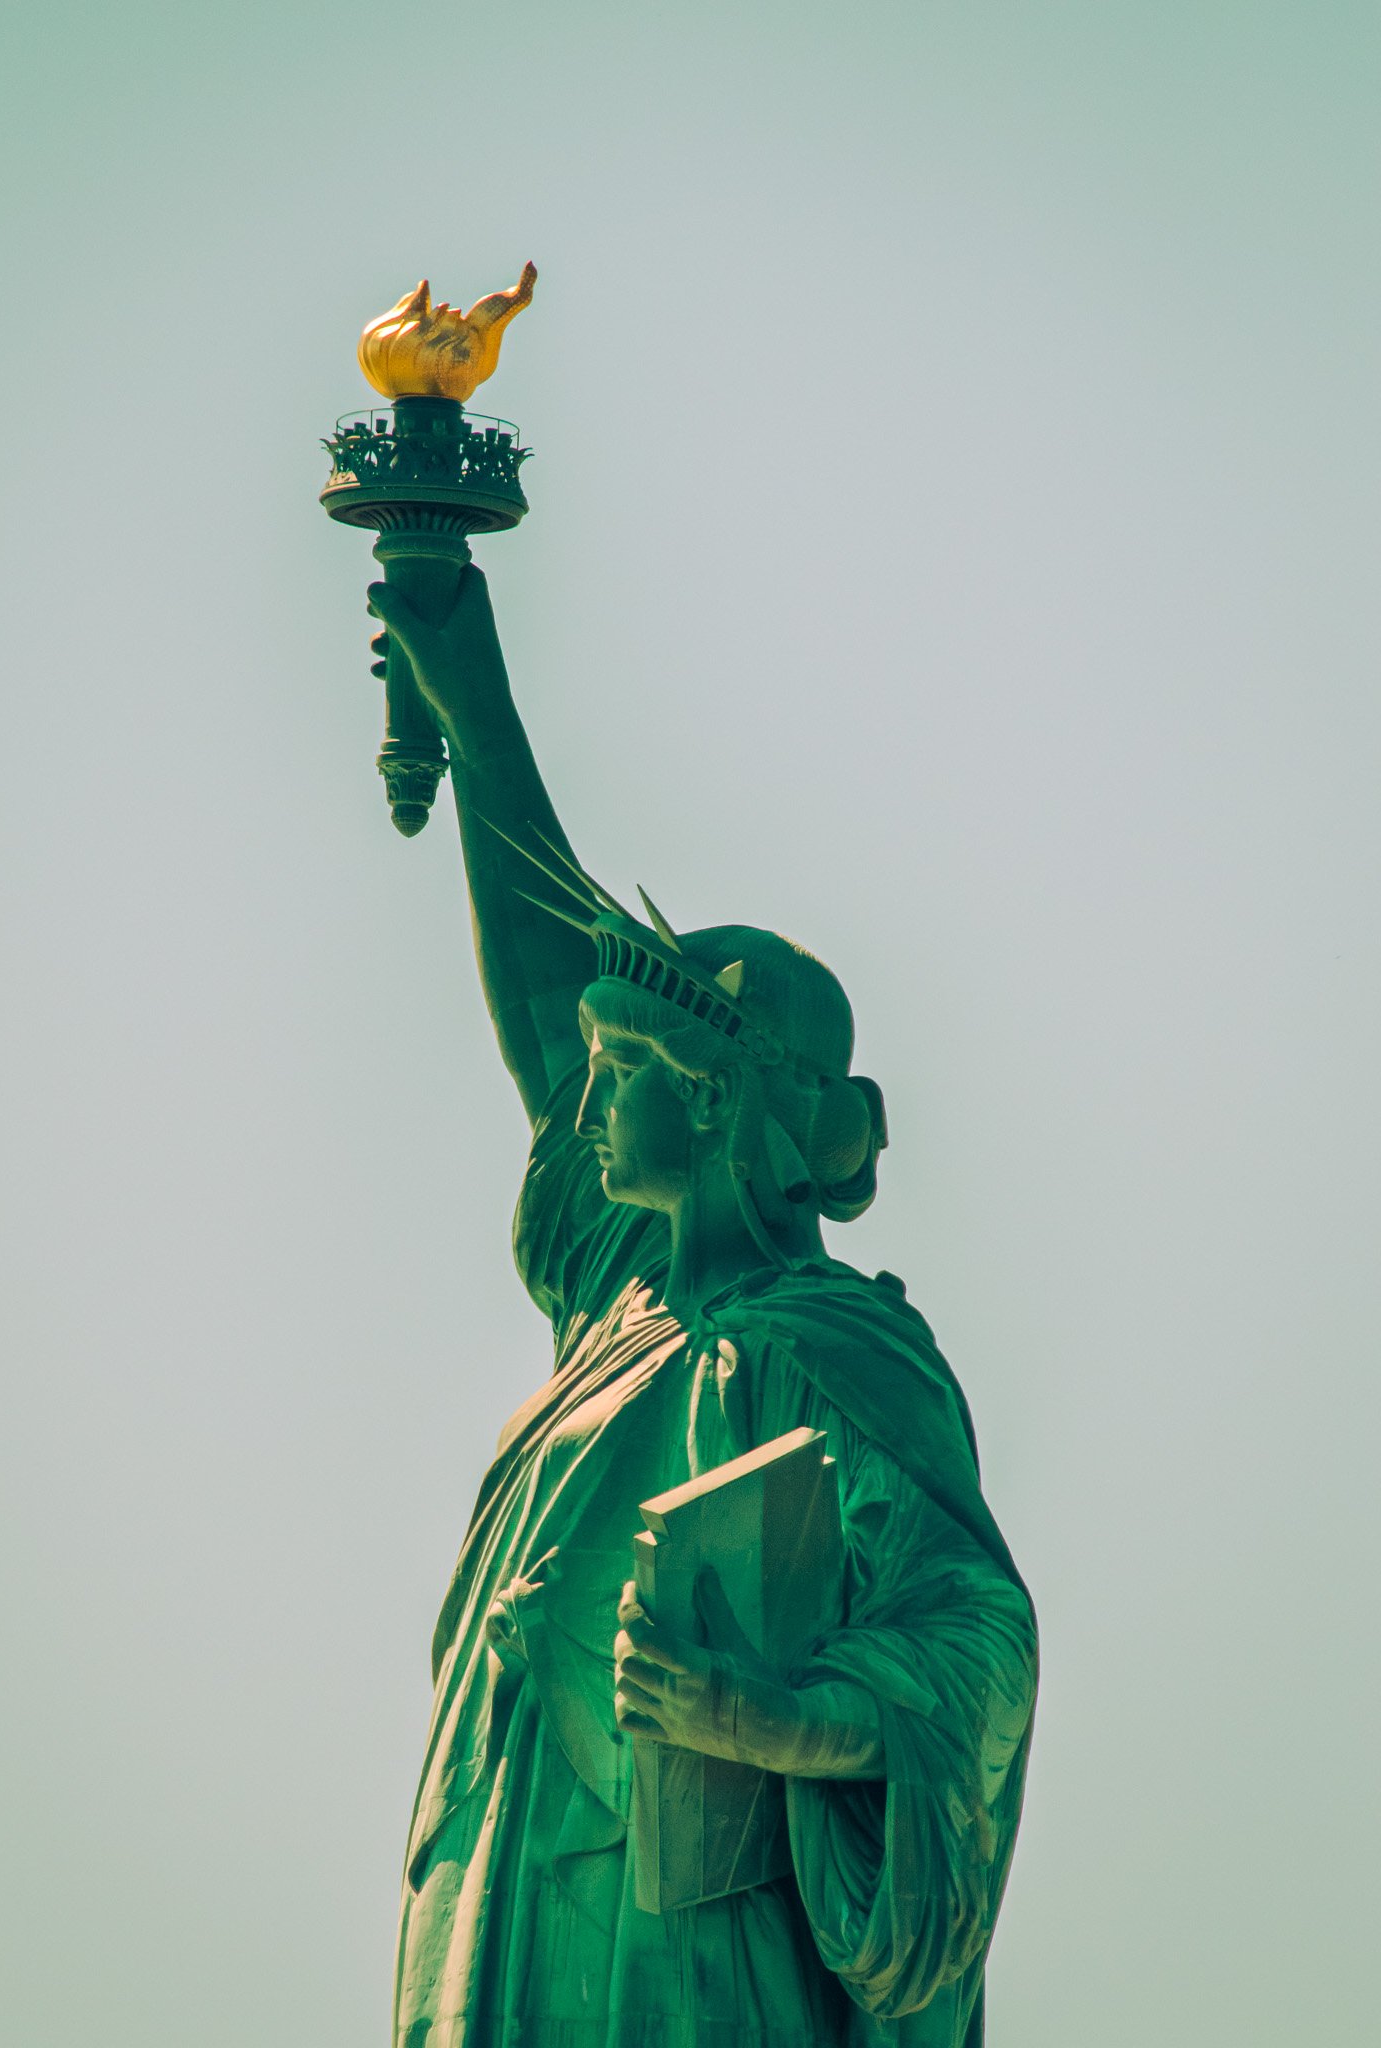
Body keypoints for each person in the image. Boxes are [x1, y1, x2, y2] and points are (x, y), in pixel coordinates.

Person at [366, 564, 1038, 2048]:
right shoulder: (626, 1313)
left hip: (697, 1940)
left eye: (625, 1076)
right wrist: (463, 672)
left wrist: (763, 1720)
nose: (583, 1098)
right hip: (510, 1896)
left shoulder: (830, 1358)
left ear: (717, 1106)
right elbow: (550, 993)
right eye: (601, 1070)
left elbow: (975, 1635)